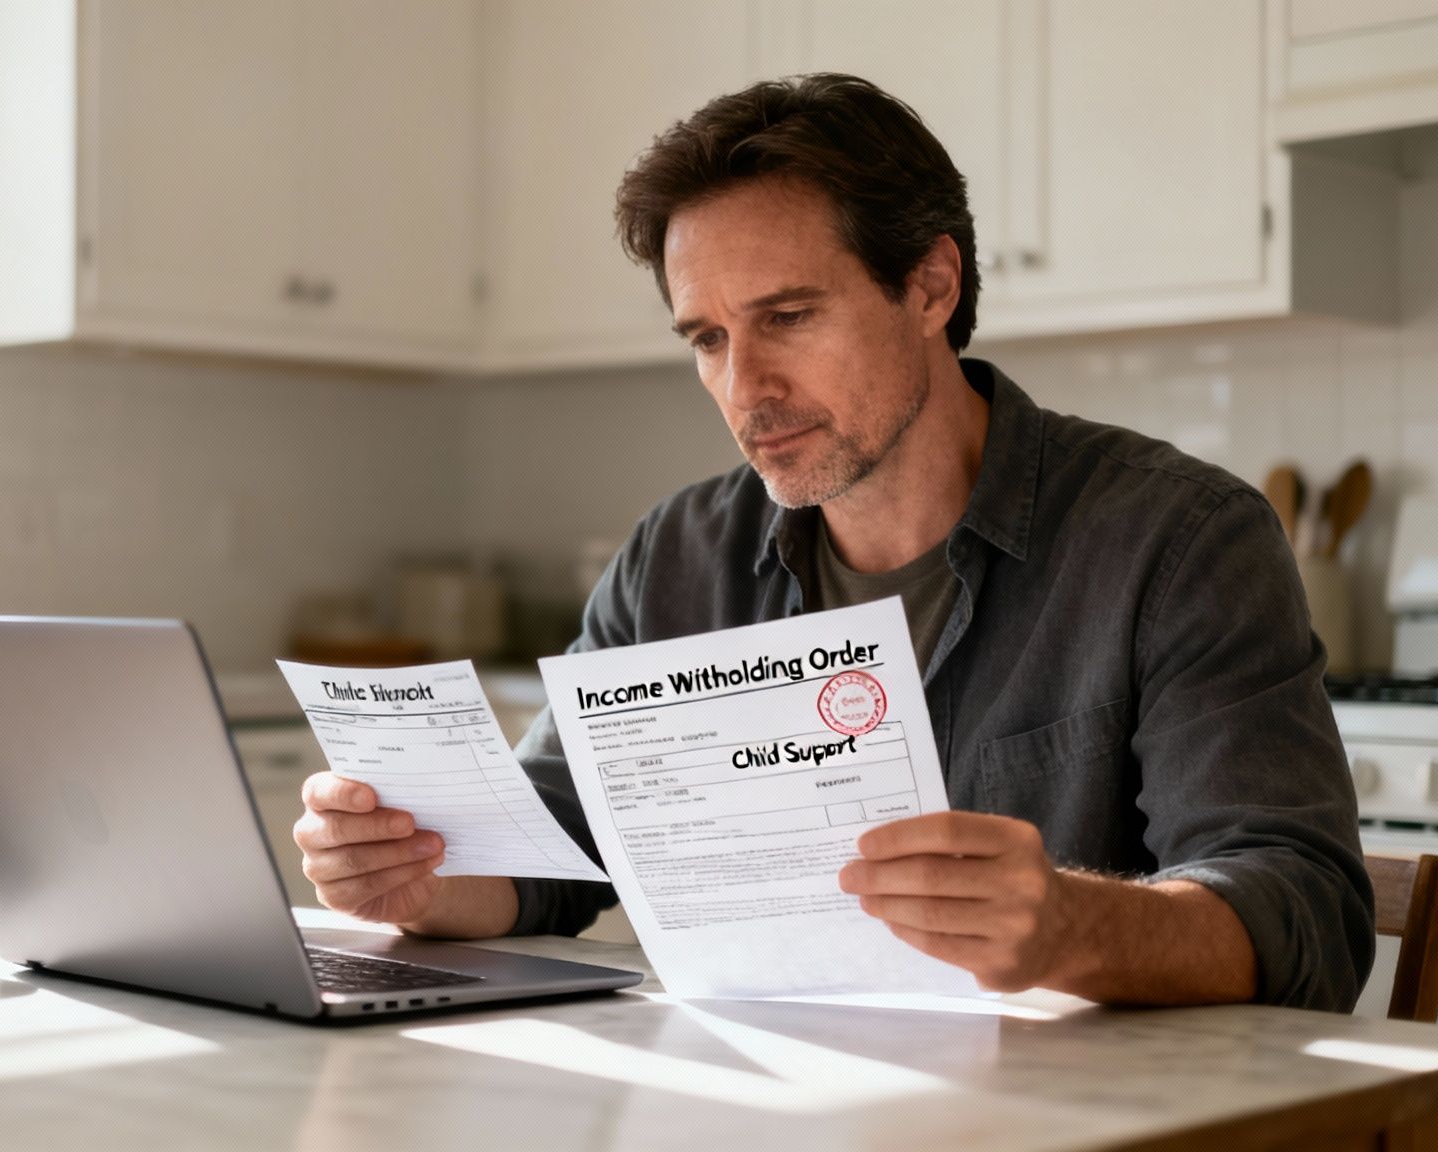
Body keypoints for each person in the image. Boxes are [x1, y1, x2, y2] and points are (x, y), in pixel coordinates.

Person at [292, 74, 1374, 1011]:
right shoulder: (678, 555)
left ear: (929, 287)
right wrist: (417, 880)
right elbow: (557, 854)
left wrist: (1068, 925)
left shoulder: (1176, 541)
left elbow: (1306, 912)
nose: (743, 388)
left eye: (787, 318)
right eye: (706, 338)